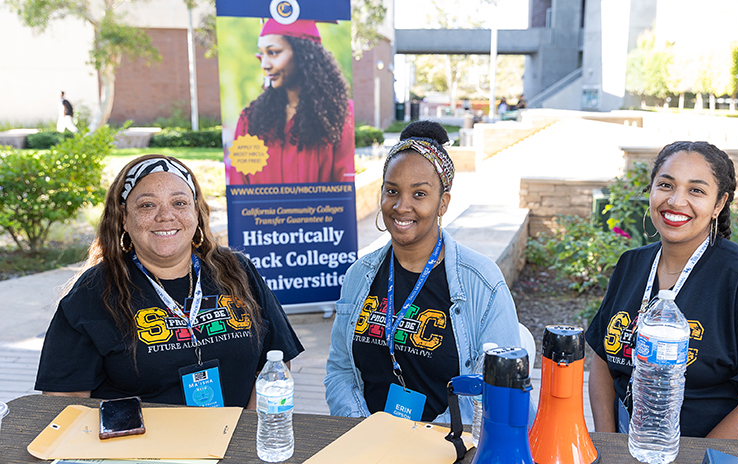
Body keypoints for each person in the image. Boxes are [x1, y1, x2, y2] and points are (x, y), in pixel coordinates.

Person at [35, 154, 304, 408]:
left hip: (234, 443)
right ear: (124, 218)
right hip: (139, 451)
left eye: (179, 203)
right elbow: (64, 401)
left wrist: (247, 437)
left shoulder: (237, 271)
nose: (165, 216)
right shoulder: (93, 292)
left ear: (196, 212)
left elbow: (276, 363)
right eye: (147, 205)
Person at [585, 141, 738, 440]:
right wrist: (609, 443)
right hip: (634, 442)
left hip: (722, 450)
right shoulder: (631, 264)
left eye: (696, 190)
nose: (675, 201)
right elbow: (600, 358)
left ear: (718, 204)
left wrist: (695, 459)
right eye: (666, 185)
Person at [324, 121, 522, 424]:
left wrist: (418, 443)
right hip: (367, 442)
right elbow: (340, 371)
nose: (402, 206)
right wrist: (362, 427)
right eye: (393, 191)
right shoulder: (358, 276)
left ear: (443, 203)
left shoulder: (482, 282)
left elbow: (497, 389)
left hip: (449, 446)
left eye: (419, 194)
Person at [225, 19, 355, 185]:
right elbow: (239, 183)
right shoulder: (250, 119)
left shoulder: (339, 113)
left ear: (303, 54)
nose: (264, 64)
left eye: (273, 52)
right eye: (262, 54)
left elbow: (344, 182)